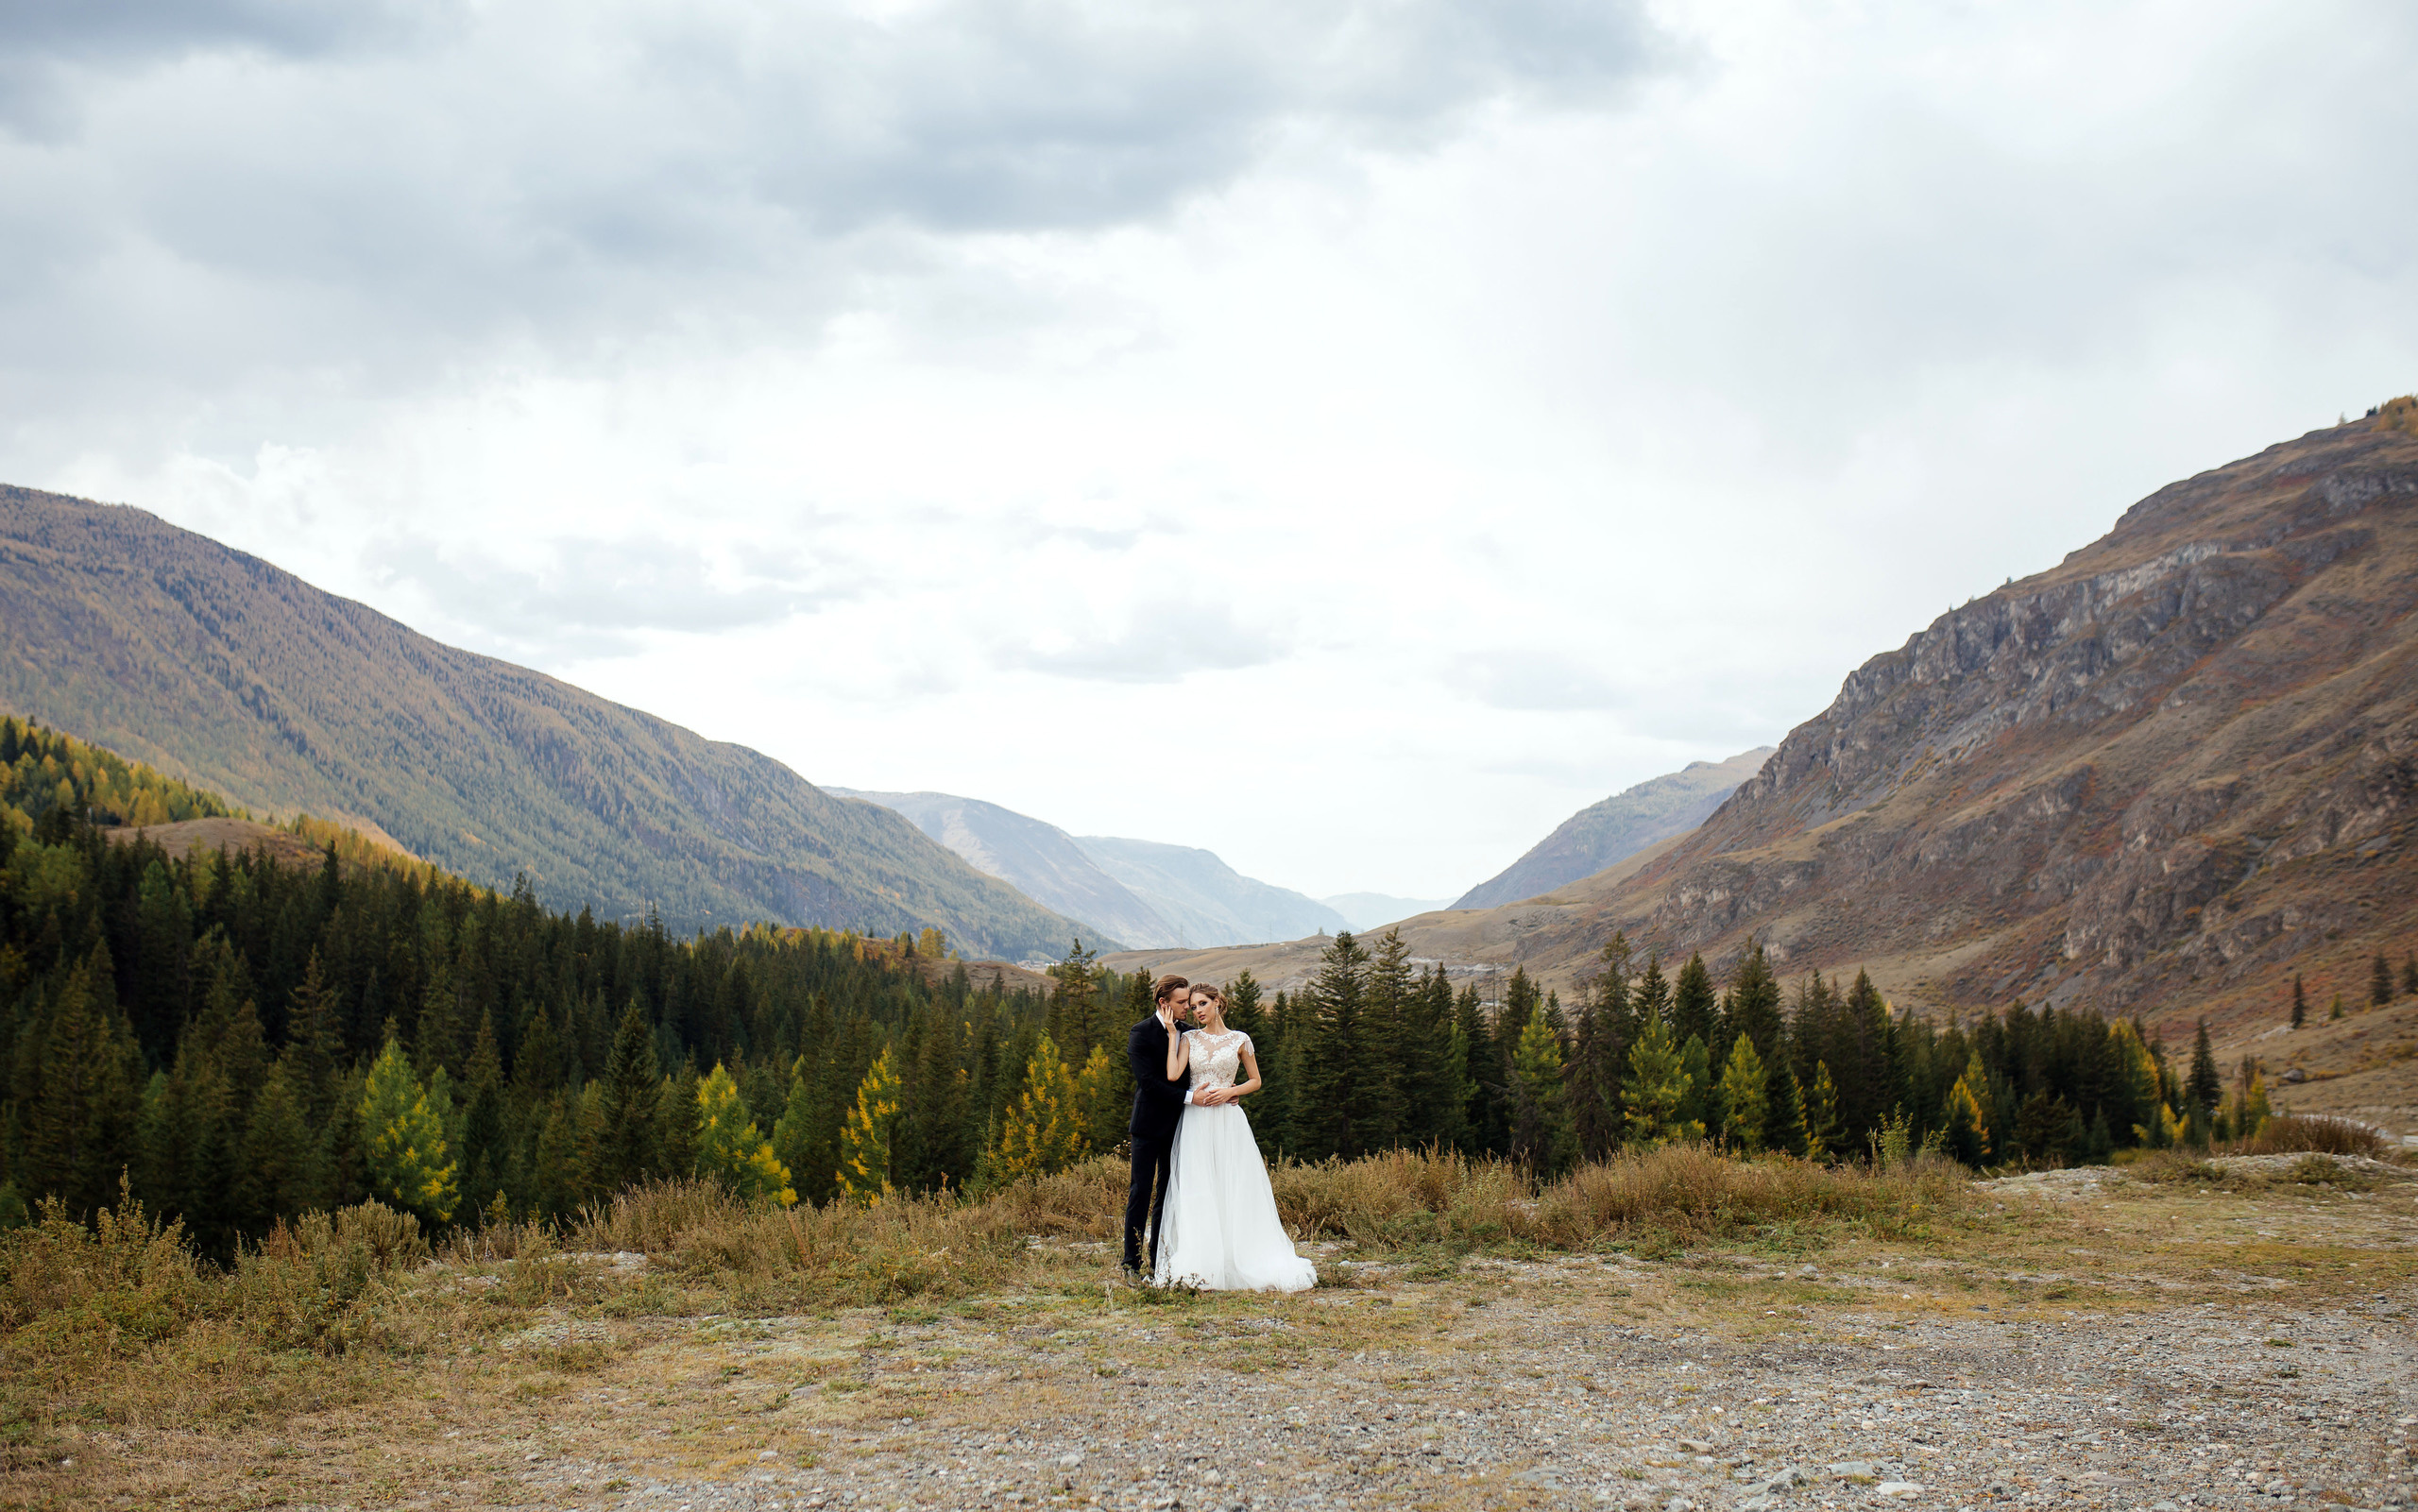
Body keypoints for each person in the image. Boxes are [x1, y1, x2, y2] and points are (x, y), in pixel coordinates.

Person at [1151, 982, 1316, 1292]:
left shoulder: (1240, 1040)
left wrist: (1231, 1091)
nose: (1197, 1011)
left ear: (1217, 1003)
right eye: (1193, 1006)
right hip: (1197, 1120)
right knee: (1200, 1184)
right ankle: (1204, 1260)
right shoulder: (1188, 1038)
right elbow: (1173, 1075)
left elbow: (1255, 1080)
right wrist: (1172, 1034)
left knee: (1233, 1183)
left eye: (1202, 1004)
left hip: (1229, 1120)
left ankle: (1239, 1255)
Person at [1123, 974, 1194, 1277]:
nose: (1188, 1007)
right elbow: (1148, 1083)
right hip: (1147, 1126)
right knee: (1140, 1192)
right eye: (1182, 1002)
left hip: (1180, 1126)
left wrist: (1227, 1091)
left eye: (1189, 1002)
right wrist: (1190, 1098)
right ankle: (1131, 1263)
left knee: (1168, 1194)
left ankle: (1158, 1262)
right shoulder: (1141, 1033)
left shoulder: (1189, 1033)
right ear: (1163, 1002)